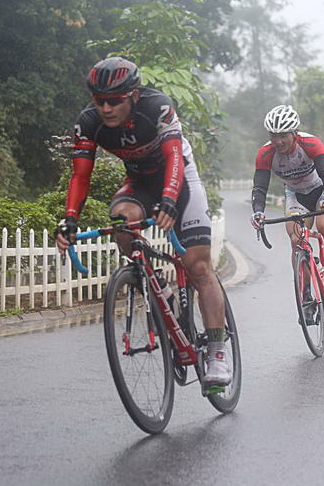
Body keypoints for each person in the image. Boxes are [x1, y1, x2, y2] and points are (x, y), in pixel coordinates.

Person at [54, 56, 232, 386]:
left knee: (198, 266)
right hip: (140, 182)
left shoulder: (157, 107)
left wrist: (169, 199)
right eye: (99, 100)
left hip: (180, 178)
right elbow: (80, 176)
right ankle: (159, 286)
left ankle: (218, 350)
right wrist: (69, 220)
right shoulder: (89, 122)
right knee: (122, 221)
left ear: (134, 96)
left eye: (114, 101)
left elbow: (174, 158)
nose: (105, 108)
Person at [250, 105, 324, 304]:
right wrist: (258, 212)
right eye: (273, 135)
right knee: (296, 240)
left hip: (320, 189)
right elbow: (260, 188)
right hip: (295, 194)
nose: (278, 141)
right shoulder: (265, 154)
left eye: (283, 136)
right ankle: (306, 295)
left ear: (294, 133)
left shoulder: (310, 143)